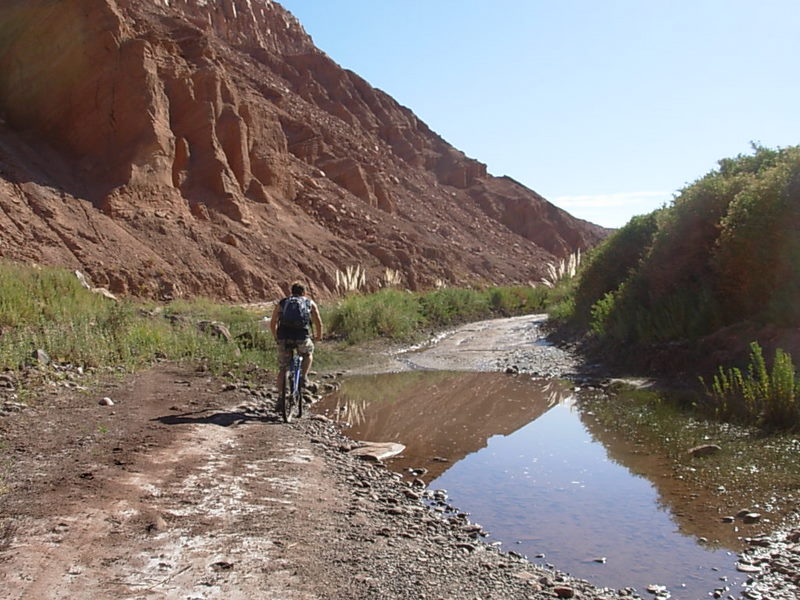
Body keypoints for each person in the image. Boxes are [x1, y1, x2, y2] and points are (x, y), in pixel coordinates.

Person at [270, 281, 323, 404]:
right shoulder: (309, 302)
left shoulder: (283, 302)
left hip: (284, 337)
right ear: (304, 292)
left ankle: (280, 398)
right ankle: (303, 377)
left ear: (291, 292)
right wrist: (318, 336)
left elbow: (273, 323)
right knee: (308, 353)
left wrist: (276, 337)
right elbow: (318, 322)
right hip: (301, 336)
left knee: (283, 368)